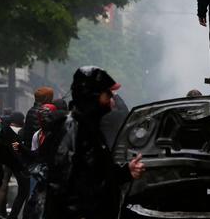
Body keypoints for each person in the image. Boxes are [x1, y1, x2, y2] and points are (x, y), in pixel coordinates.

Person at [44, 66, 146, 219]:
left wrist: (126, 171)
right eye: (107, 93)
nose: (111, 99)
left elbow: (98, 174)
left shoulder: (89, 128)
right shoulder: (72, 130)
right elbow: (62, 187)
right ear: (92, 95)